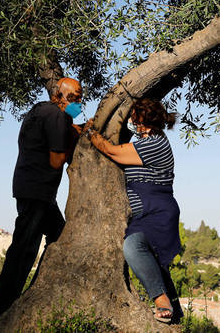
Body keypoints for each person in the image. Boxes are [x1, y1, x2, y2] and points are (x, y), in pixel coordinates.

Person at [0, 77, 83, 326]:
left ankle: (38, 291)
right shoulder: (56, 116)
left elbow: (56, 136)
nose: (78, 103)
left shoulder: (39, 111)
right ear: (57, 96)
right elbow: (55, 160)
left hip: (32, 190)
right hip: (38, 192)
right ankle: (1, 315)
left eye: (79, 97)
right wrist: (77, 145)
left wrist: (76, 130)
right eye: (73, 98)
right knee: (23, 251)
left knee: (60, 238)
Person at [86, 98, 183, 324]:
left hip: (158, 213)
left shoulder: (155, 144)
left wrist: (91, 132)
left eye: (133, 117)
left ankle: (160, 299)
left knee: (133, 246)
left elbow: (112, 151)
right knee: (155, 262)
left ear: (142, 121)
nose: (130, 121)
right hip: (147, 213)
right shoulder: (147, 140)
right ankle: (176, 310)